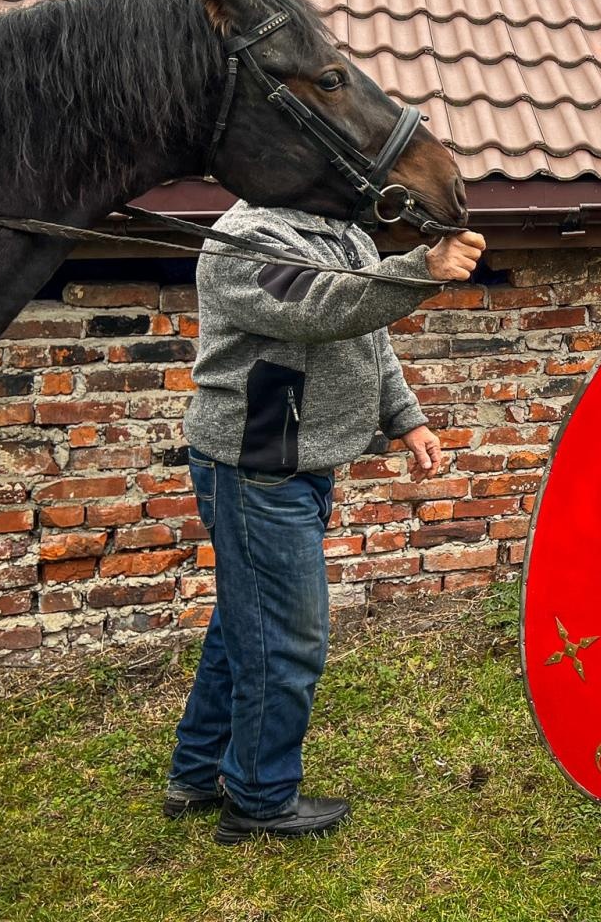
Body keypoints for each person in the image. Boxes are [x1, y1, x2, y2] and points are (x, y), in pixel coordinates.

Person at [163, 202, 485, 843]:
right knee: (287, 640)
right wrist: (421, 267)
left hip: (296, 460)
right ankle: (259, 798)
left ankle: (197, 772)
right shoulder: (245, 238)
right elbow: (320, 306)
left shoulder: (343, 231)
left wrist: (406, 417)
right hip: (257, 465)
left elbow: (368, 333)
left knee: (246, 621)